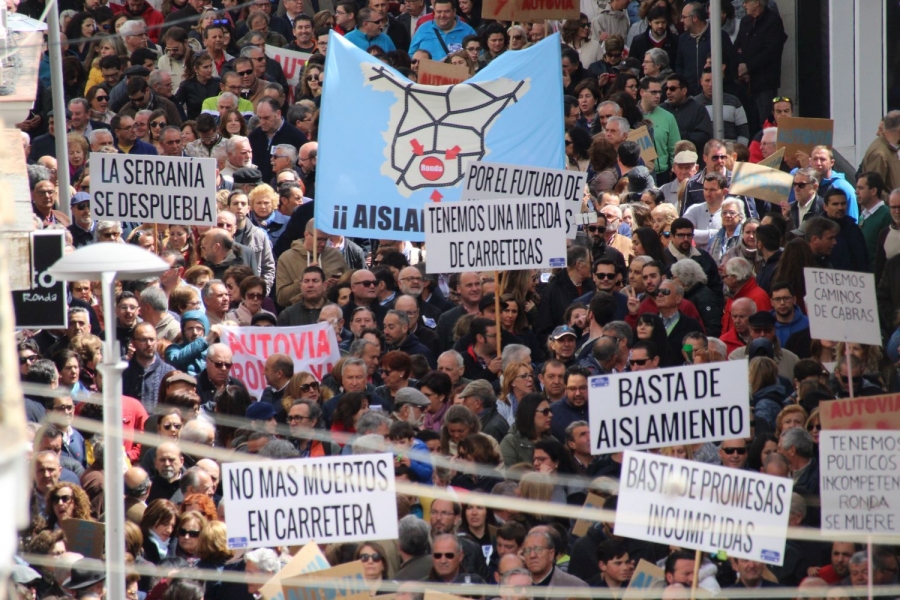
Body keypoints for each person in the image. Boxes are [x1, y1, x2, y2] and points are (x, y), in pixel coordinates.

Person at [661, 74, 713, 156]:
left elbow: (704, 136)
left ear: (684, 91)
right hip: (666, 163)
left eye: (672, 89)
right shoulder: (661, 109)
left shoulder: (698, 109)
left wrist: (678, 136)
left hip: (691, 159)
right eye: (666, 88)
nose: (668, 92)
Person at [408, 0, 476, 61]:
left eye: (446, 11)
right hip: (428, 74)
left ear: (454, 12)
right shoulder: (423, 29)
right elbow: (411, 55)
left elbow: (478, 55)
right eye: (439, 12)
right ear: (434, 12)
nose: (442, 15)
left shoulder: (468, 31)